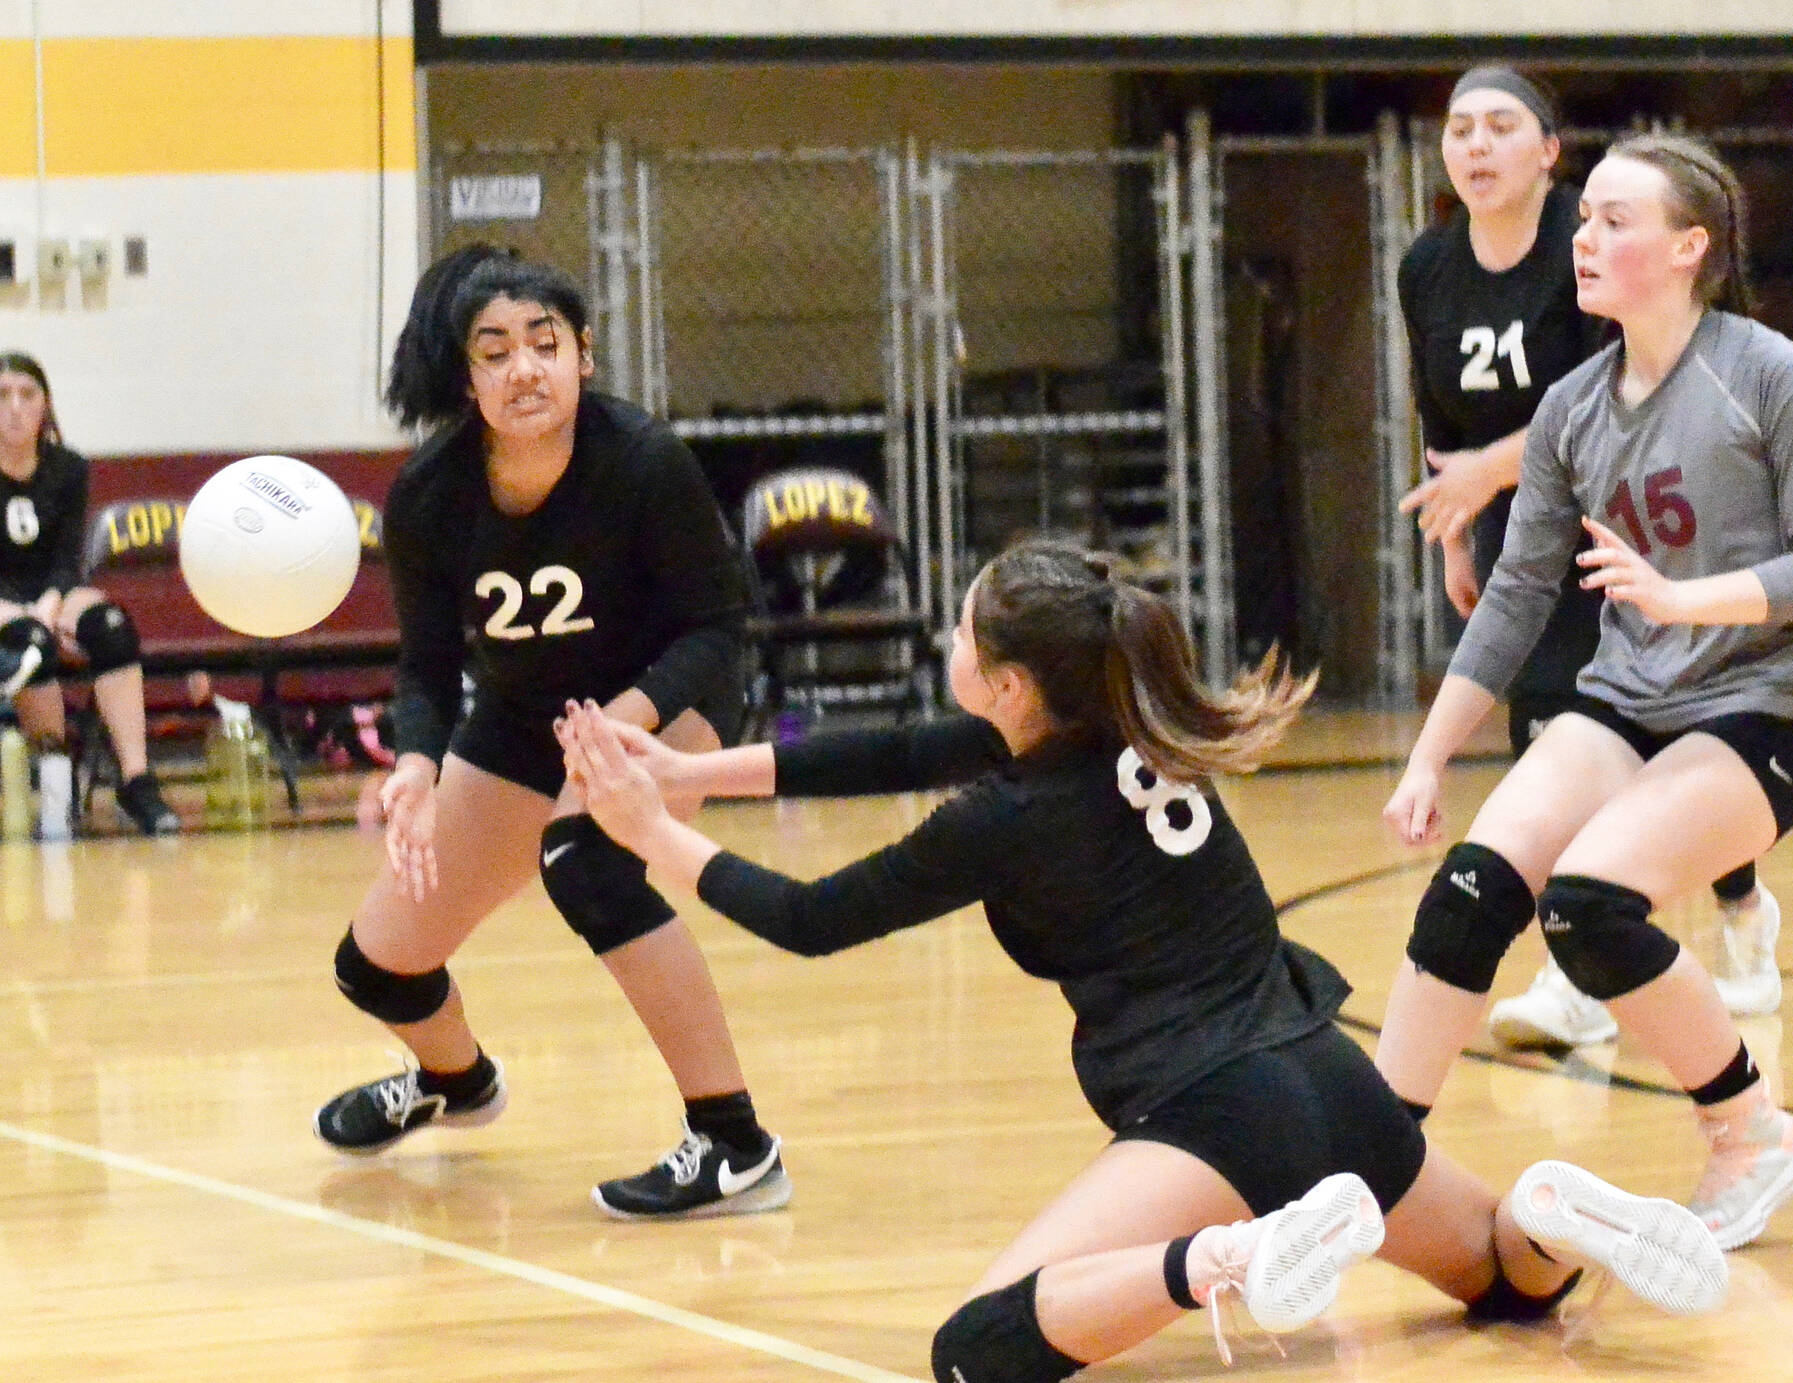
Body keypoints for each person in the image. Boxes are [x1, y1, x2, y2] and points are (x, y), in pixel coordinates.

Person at [555, 539, 1728, 1383]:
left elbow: (809, 920)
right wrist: (685, 777)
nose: (944, 644)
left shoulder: (1006, 817)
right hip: (1329, 1076)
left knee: (976, 1347)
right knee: (1511, 1287)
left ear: (1010, 685)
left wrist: (649, 833)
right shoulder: (1128, 724)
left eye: (959, 634)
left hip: (1216, 1113)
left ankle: (1221, 1256)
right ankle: (1543, 1214)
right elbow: (905, 749)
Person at [1380, 133, 1793, 1251]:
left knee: (1588, 908)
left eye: (1610, 221)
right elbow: (1513, 596)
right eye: (1581, 217)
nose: (1582, 239)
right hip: (1623, 704)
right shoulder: (1569, 408)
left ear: (1689, 248)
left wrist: (1682, 601)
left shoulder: (1767, 375)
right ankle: (1363, 1156)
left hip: (1756, 710)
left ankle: (1751, 1135)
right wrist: (1426, 753)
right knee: (1466, 893)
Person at [312, 244, 787, 1222]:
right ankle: (457, 1082)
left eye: (544, 342)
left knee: (588, 862)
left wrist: (626, 721)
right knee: (378, 963)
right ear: (466, 377)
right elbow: (425, 663)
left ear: (584, 357)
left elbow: (716, 627)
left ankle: (737, 1146)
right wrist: (411, 764)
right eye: (494, 351)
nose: (524, 367)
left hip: (665, 705)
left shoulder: (642, 460)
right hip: (525, 720)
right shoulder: (429, 497)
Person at [1396, 68, 1783, 1052]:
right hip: (1518, 527)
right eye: (1457, 129)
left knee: (1657, 730)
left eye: (1498, 127)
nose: (1474, 146)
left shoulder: (1590, 244)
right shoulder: (1426, 267)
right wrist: (1455, 526)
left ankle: (1740, 911)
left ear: (1545, 150)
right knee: (1553, 732)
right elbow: (1438, 421)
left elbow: (1617, 393)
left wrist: (1489, 469)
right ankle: (1575, 978)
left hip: (1631, 518)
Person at [0, 353, 180, 835]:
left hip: (52, 589)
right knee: (30, 641)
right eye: (2, 395)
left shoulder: (68, 468)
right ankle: (52, 774)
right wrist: (27, 612)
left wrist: (54, 600)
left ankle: (136, 781)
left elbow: (68, 555)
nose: (14, 407)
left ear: (45, 406)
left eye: (26, 395)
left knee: (112, 628)